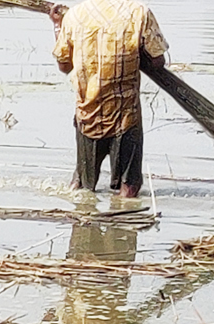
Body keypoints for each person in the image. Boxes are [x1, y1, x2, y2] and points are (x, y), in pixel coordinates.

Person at [51, 1, 169, 198]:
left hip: (88, 113)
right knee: (129, 187)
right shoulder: (139, 13)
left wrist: (57, 25)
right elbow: (158, 61)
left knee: (81, 185)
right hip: (124, 115)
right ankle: (121, 221)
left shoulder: (75, 16)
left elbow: (64, 65)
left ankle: (83, 221)